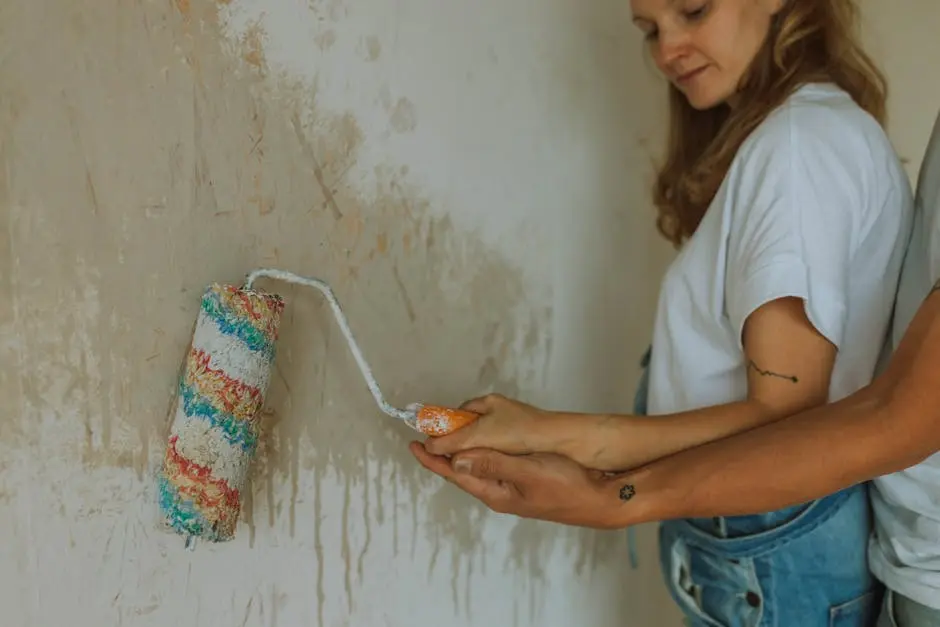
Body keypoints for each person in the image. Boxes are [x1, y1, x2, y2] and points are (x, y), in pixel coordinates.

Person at [410, 0, 918, 625]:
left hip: (771, 550)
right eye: (651, 29)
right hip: (765, 542)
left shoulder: (797, 146)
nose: (667, 50)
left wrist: (565, 441)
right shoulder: (802, 134)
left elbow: (784, 413)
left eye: (693, 11)